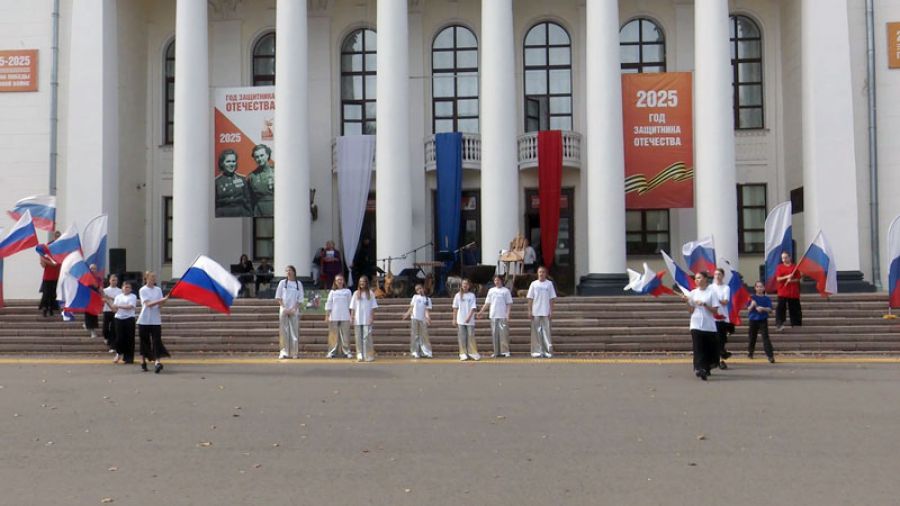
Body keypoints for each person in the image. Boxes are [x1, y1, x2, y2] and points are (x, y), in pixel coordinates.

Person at [683, 271, 721, 380]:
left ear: (705, 279)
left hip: (708, 325)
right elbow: (690, 310)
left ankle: (707, 367)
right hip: (695, 324)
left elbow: (715, 311)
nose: (697, 280)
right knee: (698, 348)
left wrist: (704, 304)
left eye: (699, 278)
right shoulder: (693, 293)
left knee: (708, 348)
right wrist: (687, 302)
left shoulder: (712, 292)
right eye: (695, 278)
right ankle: (700, 368)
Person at [137, 271, 170, 373]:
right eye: (151, 278)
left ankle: (157, 362)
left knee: (157, 341)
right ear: (146, 279)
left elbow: (159, 306)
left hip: (156, 320)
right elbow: (148, 304)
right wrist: (161, 300)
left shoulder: (158, 289)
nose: (153, 280)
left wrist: (164, 301)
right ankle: (143, 362)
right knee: (144, 342)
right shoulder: (142, 290)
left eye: (154, 278)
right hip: (144, 320)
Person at [479, 275, 513, 358]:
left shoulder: (506, 291)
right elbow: (487, 303)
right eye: (495, 280)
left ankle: (505, 351)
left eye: (498, 280)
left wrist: (507, 314)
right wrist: (481, 311)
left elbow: (509, 304)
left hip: (502, 315)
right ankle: (496, 351)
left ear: (501, 281)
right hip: (493, 315)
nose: (496, 282)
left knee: (503, 334)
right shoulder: (491, 290)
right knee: (495, 334)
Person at [527, 266, 556, 358]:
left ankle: (547, 352)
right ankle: (536, 351)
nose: (541, 274)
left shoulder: (549, 284)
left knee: (546, 332)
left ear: (546, 274)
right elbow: (530, 298)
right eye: (539, 272)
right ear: (537, 273)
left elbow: (552, 298)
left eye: (543, 272)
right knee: (536, 333)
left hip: (545, 311)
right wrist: (530, 311)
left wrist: (551, 311)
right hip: (536, 311)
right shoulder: (534, 284)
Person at [274, 265, 303, 359]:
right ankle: (283, 352)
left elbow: (300, 299)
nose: (288, 272)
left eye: (290, 270)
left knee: (294, 331)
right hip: (284, 309)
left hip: (294, 310)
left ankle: (294, 352)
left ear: (294, 272)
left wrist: (293, 308)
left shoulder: (298, 284)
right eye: (287, 271)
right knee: (283, 331)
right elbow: (278, 297)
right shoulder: (282, 283)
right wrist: (284, 307)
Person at [214, 148, 252, 217]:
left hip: (241, 214)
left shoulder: (242, 179)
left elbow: (247, 201)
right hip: (222, 214)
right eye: (228, 161)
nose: (231, 164)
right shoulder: (216, 182)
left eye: (233, 161)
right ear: (222, 163)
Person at [349, 275, 378, 362]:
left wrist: (371, 318)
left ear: (366, 283)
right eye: (360, 282)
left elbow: (373, 307)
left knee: (367, 337)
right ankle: (359, 354)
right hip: (357, 319)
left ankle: (368, 355)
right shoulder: (355, 293)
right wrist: (352, 317)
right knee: (358, 337)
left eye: (364, 282)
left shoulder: (371, 293)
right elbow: (352, 307)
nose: (362, 283)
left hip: (367, 318)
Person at [324, 274, 353, 359]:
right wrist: (327, 315)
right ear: (335, 282)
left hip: (345, 316)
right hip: (334, 316)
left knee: (345, 335)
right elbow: (329, 303)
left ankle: (347, 351)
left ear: (343, 281)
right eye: (338, 280)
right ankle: (331, 351)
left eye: (341, 280)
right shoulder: (332, 292)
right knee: (333, 335)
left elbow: (350, 304)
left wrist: (351, 315)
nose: (339, 281)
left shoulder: (347, 291)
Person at [747, 280, 775, 363]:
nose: (759, 288)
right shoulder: (752, 298)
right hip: (753, 320)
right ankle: (750, 352)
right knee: (752, 337)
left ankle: (770, 356)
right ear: (755, 288)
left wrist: (763, 308)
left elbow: (770, 309)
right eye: (758, 287)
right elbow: (748, 309)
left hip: (763, 320)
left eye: (761, 286)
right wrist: (752, 304)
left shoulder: (766, 298)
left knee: (765, 338)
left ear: (764, 288)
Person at [452, 278, 480, 361]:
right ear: (461, 285)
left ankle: (472, 353)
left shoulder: (472, 295)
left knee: (470, 336)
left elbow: (473, 308)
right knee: (462, 337)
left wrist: (469, 317)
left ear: (469, 285)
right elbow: (455, 308)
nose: (465, 285)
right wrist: (454, 319)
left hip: (470, 320)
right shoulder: (457, 295)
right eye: (463, 284)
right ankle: (463, 353)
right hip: (460, 319)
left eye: (466, 284)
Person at [402, 283, 433, 358]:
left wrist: (428, 318)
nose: (419, 290)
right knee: (415, 335)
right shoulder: (415, 297)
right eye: (417, 289)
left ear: (423, 288)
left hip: (422, 319)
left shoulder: (427, 299)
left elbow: (426, 310)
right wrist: (407, 314)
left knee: (424, 335)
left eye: (420, 288)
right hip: (414, 318)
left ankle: (426, 351)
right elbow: (411, 307)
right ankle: (415, 351)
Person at [712, 268, 733, 369]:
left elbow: (725, 301)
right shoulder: (710, 287)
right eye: (715, 274)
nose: (717, 276)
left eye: (719, 274)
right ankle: (720, 359)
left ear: (723, 276)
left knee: (721, 340)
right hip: (712, 317)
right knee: (715, 340)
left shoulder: (726, 288)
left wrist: (716, 300)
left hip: (722, 317)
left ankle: (721, 355)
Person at [775, 252, 802, 330]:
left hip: (793, 291)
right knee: (781, 307)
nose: (784, 259)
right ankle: (779, 323)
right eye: (782, 258)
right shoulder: (779, 267)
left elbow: (798, 278)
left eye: (785, 257)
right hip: (783, 290)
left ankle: (796, 324)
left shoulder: (795, 267)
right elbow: (778, 278)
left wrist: (792, 280)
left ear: (790, 257)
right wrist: (787, 276)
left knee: (795, 308)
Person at [37, 231, 62, 317]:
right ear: (54, 237)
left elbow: (56, 264)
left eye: (59, 236)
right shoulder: (48, 246)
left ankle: (51, 309)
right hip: (47, 276)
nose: (57, 238)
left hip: (56, 276)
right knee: (46, 293)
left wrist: (45, 260)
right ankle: (45, 309)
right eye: (56, 236)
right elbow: (43, 264)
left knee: (53, 294)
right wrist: (41, 258)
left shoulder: (61, 248)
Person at [112, 282, 137, 364]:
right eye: (125, 287)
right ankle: (118, 353)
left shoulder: (133, 296)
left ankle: (129, 357)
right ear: (122, 288)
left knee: (129, 338)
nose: (126, 289)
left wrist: (119, 306)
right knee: (119, 337)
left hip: (129, 318)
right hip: (119, 318)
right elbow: (114, 309)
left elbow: (130, 307)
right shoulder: (118, 297)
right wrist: (108, 302)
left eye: (128, 287)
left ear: (131, 289)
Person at [248, 144, 275, 216]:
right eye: (257, 157)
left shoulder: (277, 172)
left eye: (262, 155)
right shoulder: (252, 176)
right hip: (259, 211)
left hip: (275, 207)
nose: (259, 159)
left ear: (268, 155)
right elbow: (250, 198)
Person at [101, 274, 122, 354]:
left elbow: (118, 300)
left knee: (113, 329)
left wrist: (109, 297)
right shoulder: (105, 290)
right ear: (109, 281)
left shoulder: (119, 291)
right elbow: (103, 299)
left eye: (115, 280)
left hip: (115, 311)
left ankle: (112, 346)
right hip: (106, 310)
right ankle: (106, 338)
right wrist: (104, 297)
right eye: (112, 280)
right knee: (105, 328)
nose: (114, 282)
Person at [82, 264, 102, 339]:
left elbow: (99, 288)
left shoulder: (98, 279)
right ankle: (92, 331)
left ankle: (89, 326)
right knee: (88, 314)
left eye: (94, 268)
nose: (93, 270)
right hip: (88, 299)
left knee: (94, 314)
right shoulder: (86, 278)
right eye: (91, 268)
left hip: (95, 299)